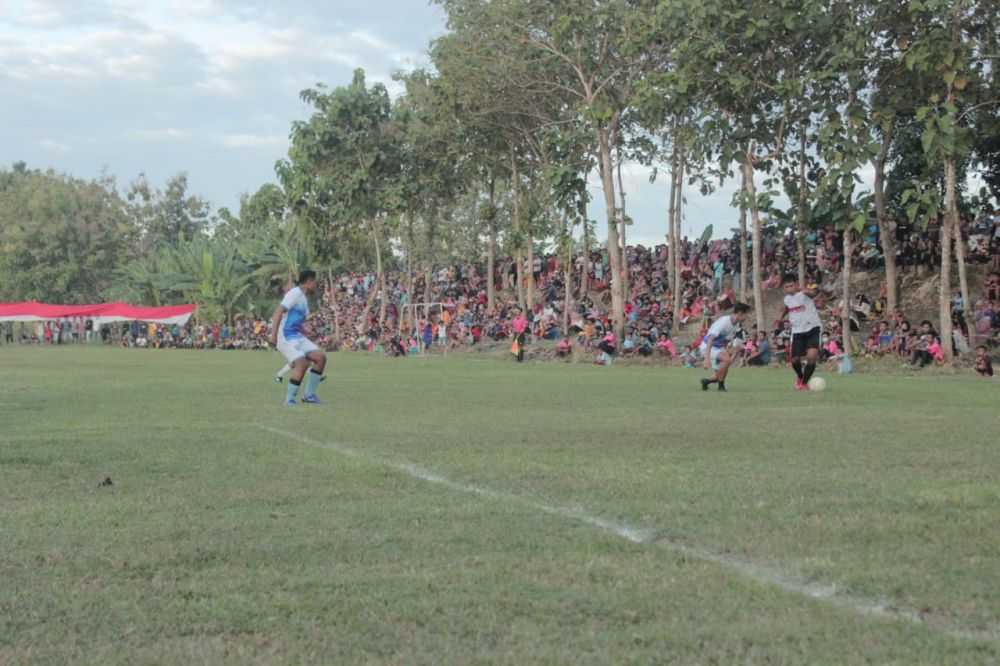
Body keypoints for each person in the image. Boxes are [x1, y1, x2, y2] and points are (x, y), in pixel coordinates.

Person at [268, 270, 327, 406]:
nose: (316, 285)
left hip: (296, 336)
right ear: (308, 281)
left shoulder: (304, 298)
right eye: (315, 282)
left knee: (320, 357)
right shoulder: (294, 293)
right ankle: (289, 400)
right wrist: (273, 335)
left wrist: (306, 330)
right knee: (301, 363)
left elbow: (295, 320)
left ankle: (308, 395)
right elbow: (278, 311)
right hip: (285, 336)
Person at [780, 279, 823, 391]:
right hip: (797, 331)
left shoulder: (804, 293)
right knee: (794, 360)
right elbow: (787, 308)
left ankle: (804, 383)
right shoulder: (787, 299)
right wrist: (780, 318)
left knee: (812, 357)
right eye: (787, 287)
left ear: (796, 285)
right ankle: (800, 376)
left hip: (813, 328)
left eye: (791, 285)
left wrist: (807, 291)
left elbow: (814, 293)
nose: (790, 288)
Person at [699, 302, 750, 392]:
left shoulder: (736, 324)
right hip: (708, 346)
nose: (747, 317)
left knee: (718, 375)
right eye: (746, 314)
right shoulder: (724, 322)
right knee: (726, 359)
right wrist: (707, 358)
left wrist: (732, 349)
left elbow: (726, 340)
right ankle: (721, 387)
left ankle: (706, 381)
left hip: (718, 348)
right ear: (740, 314)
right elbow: (710, 339)